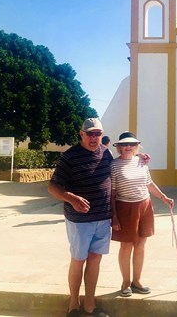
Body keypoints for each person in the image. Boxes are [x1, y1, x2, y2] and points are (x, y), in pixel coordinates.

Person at [48, 118, 112, 317]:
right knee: (78, 260)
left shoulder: (106, 153)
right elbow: (53, 187)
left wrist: (140, 159)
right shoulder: (70, 156)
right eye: (90, 134)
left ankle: (89, 306)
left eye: (97, 134)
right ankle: (73, 305)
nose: (94, 138)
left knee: (95, 261)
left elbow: (119, 169)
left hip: (103, 218)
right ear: (81, 134)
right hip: (80, 221)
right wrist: (70, 198)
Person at [110, 131, 174, 297]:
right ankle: (125, 282)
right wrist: (114, 216)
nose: (128, 147)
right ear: (119, 147)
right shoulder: (114, 165)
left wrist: (164, 197)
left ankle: (137, 281)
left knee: (140, 244)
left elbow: (149, 183)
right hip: (125, 208)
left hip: (144, 206)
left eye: (131, 144)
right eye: (124, 144)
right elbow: (112, 193)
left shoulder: (141, 162)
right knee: (126, 246)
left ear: (137, 146)